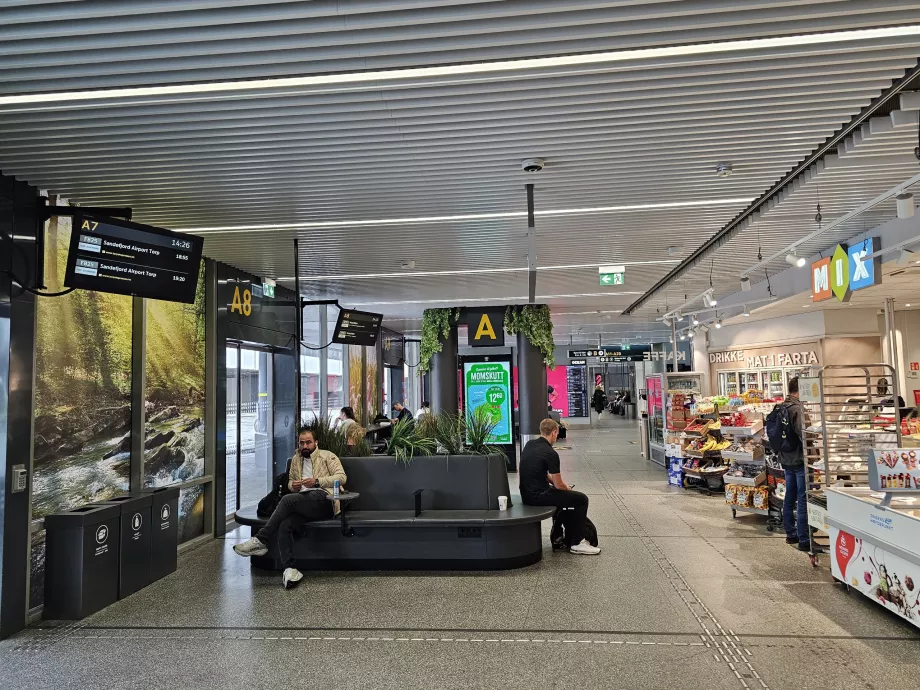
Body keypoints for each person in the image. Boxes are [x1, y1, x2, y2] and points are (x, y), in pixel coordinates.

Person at [233, 428, 347, 588]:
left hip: (324, 500)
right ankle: (289, 568)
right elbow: (290, 483)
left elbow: (342, 477)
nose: (305, 445)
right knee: (285, 524)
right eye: (302, 442)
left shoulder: (327, 456)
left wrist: (316, 482)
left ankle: (261, 539)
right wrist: (292, 485)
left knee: (287, 500)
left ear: (316, 443)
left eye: (308, 442)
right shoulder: (295, 460)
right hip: (302, 502)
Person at [519, 419, 599, 555]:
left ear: (542, 431)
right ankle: (577, 543)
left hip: (526, 495)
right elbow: (558, 484)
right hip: (538, 496)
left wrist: (560, 487)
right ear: (554, 432)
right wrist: (567, 488)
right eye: (557, 434)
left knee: (563, 498)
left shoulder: (530, 445)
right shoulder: (551, 453)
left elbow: (541, 474)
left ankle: (558, 536)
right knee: (581, 499)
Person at [778, 377, 809, 552]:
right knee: (802, 497)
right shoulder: (797, 408)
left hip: (785, 457)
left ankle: (790, 533)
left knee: (790, 496)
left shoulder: (781, 406)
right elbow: (805, 433)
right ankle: (804, 538)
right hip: (799, 457)